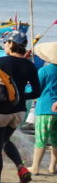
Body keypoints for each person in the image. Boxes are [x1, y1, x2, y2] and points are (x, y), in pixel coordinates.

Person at [0, 33, 41, 183]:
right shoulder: (29, 65)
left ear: (11, 44)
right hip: (19, 111)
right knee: (4, 140)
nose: (4, 45)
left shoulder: (1, 61)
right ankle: (21, 168)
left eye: (6, 42)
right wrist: (21, 96)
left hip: (0, 110)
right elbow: (36, 91)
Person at [31, 42, 57, 176]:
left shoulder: (44, 71)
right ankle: (52, 167)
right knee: (56, 140)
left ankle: (35, 167)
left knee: (41, 139)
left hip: (45, 109)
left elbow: (36, 89)